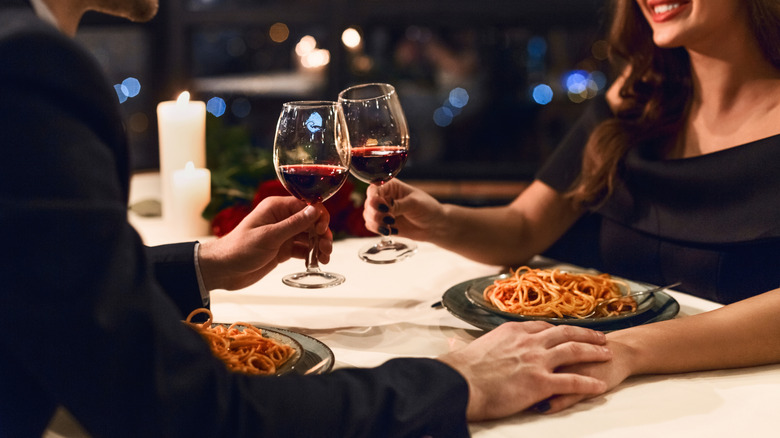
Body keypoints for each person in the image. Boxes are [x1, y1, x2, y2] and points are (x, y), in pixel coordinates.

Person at [0, 0, 615, 436]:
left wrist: (203, 263)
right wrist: (455, 384)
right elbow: (185, 412)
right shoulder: (29, 66)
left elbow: (32, 280)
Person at [365, 0, 780, 414]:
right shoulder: (636, 95)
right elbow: (526, 226)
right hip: (608, 395)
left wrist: (626, 351)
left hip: (734, 407)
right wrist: (437, 220)